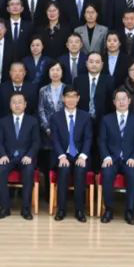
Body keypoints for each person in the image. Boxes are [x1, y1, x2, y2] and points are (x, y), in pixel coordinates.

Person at [98, 88, 134, 225]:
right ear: (114, 102)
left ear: (129, 101)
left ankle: (130, 211)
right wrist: (106, 157)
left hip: (130, 159)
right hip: (112, 159)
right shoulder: (106, 119)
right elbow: (101, 141)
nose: (121, 102)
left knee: (132, 174)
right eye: (118, 99)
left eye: (124, 99)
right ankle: (108, 210)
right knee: (107, 173)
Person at [0, 92, 40, 220]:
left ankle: (26, 209)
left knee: (29, 171)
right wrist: (2, 155)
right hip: (8, 158)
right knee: (1, 170)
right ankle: (4, 208)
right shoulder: (3, 121)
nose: (17, 105)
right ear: (10, 105)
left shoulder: (32, 121)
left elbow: (36, 142)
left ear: (25, 104)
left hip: (26, 158)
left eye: (20, 102)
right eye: (14, 102)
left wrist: (30, 155)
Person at [49, 87, 93, 222]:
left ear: (78, 98)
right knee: (63, 170)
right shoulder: (55, 117)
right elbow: (55, 139)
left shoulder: (86, 116)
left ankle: (79, 210)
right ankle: (61, 209)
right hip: (63, 154)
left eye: (74, 96)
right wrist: (61, 156)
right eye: (68, 96)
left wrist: (83, 156)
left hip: (80, 155)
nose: (71, 99)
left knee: (80, 171)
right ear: (63, 98)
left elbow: (88, 138)